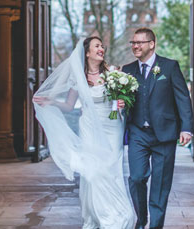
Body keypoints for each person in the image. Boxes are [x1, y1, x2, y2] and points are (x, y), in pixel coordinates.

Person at [33, 36, 136, 229]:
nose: (101, 49)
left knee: (111, 168)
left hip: (112, 126)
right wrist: (52, 102)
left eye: (102, 46)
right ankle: (100, 215)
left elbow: (122, 99)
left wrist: (122, 103)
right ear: (87, 52)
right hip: (89, 126)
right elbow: (69, 105)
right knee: (94, 171)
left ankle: (118, 215)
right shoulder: (78, 78)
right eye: (97, 46)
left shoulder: (113, 73)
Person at [122, 27, 193, 229]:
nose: (135, 46)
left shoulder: (169, 67)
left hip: (165, 134)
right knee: (136, 178)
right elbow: (123, 101)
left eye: (139, 43)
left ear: (151, 44)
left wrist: (186, 128)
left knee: (160, 184)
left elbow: (183, 99)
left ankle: (156, 226)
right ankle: (141, 219)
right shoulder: (127, 70)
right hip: (138, 133)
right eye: (133, 43)